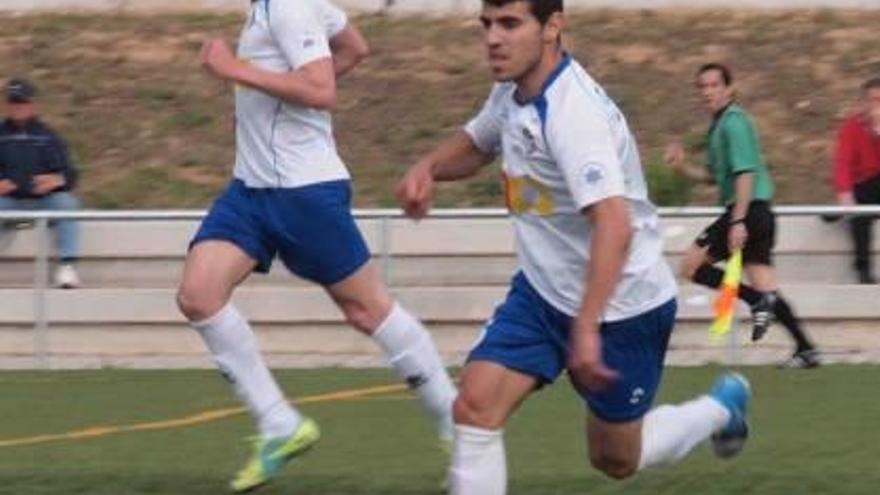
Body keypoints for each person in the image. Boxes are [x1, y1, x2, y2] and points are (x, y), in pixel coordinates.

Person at [396, 2, 750, 493]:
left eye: (510, 24)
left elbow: (614, 224)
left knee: (615, 458)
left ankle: (719, 408)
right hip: (543, 294)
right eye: (487, 25)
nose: (493, 38)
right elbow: (480, 141)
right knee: (474, 406)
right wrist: (428, 167)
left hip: (622, 306)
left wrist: (586, 325)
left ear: (553, 27)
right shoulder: (513, 89)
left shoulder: (572, 114)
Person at [176, 0, 456, 492]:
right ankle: (280, 424)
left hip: (301, 191)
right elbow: (353, 47)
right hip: (251, 189)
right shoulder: (274, 7)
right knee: (199, 294)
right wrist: (267, 100)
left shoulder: (288, 7)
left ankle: (457, 423)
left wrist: (234, 70)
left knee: (369, 311)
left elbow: (320, 88)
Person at [664, 63, 821, 369]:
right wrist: (682, 166)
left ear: (729, 88)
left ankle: (754, 301)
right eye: (702, 86)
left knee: (690, 266)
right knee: (767, 289)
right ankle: (806, 348)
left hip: (746, 211)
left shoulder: (734, 122)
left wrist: (737, 221)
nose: (708, 91)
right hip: (758, 212)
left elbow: (745, 174)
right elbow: (713, 178)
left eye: (713, 85)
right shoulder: (719, 126)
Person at [0, 77, 81, 289]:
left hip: (44, 200)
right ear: (6, 105)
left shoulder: (48, 136)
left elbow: (71, 174)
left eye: (23, 102)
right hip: (8, 202)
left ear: (33, 104)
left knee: (66, 203)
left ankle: (67, 266)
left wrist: (57, 180)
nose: (19, 107)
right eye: (14, 102)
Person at [832, 77, 880, 284]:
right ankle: (863, 268)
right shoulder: (852, 126)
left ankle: (833, 213)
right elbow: (843, 162)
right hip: (864, 185)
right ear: (863, 103)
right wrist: (845, 193)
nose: (876, 106)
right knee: (860, 213)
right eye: (872, 100)